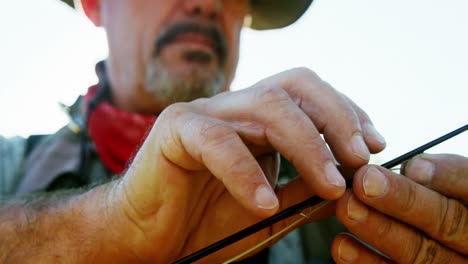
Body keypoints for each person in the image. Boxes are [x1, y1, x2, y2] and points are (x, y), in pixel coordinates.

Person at [1, 0, 467, 263]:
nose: (205, 3)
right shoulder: (10, 170)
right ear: (94, 4)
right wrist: (108, 225)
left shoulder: (335, 224)